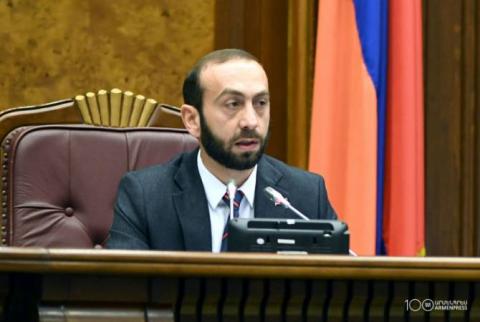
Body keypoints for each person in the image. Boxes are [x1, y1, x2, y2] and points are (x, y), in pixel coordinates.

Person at [107, 49, 337, 252]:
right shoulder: (146, 196)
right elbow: (125, 293)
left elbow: (333, 292)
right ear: (192, 120)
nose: (250, 121)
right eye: (233, 104)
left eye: (260, 103)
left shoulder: (305, 196)